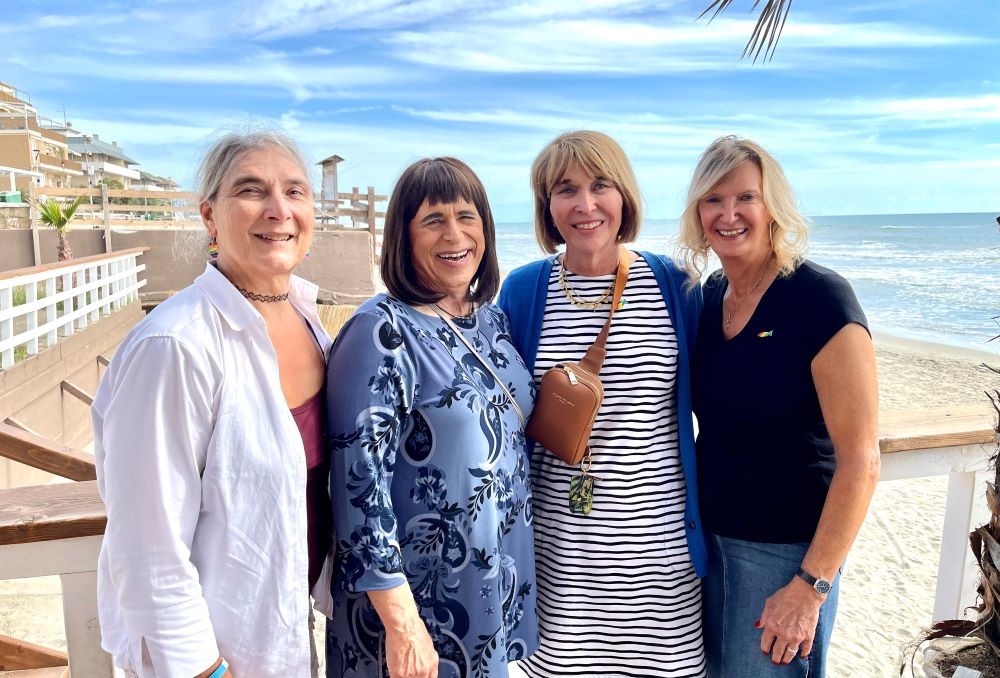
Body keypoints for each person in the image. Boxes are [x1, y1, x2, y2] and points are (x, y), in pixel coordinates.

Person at [92, 130, 332, 677]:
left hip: (289, 632)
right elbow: (146, 540)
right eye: (252, 190)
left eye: (295, 192)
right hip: (214, 655)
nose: (279, 210)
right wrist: (203, 669)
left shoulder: (307, 319)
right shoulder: (176, 345)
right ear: (209, 216)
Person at [498, 130, 707, 677]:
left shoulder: (676, 285)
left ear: (624, 197)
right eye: (566, 189)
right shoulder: (523, 290)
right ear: (548, 207)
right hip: (557, 552)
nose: (585, 205)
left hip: (659, 553)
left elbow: (728, 396)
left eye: (600, 186)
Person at [325, 157, 538, 678]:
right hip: (419, 608)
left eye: (467, 217)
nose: (454, 234)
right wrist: (403, 624)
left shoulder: (491, 319)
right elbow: (359, 488)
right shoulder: (381, 331)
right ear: (403, 234)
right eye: (433, 220)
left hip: (488, 588)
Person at [678, 135, 880, 677]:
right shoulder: (706, 299)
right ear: (697, 213)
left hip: (785, 559)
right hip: (705, 549)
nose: (728, 214)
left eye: (745, 197)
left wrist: (810, 587)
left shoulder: (820, 299)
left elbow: (862, 460)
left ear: (772, 207)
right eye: (712, 200)